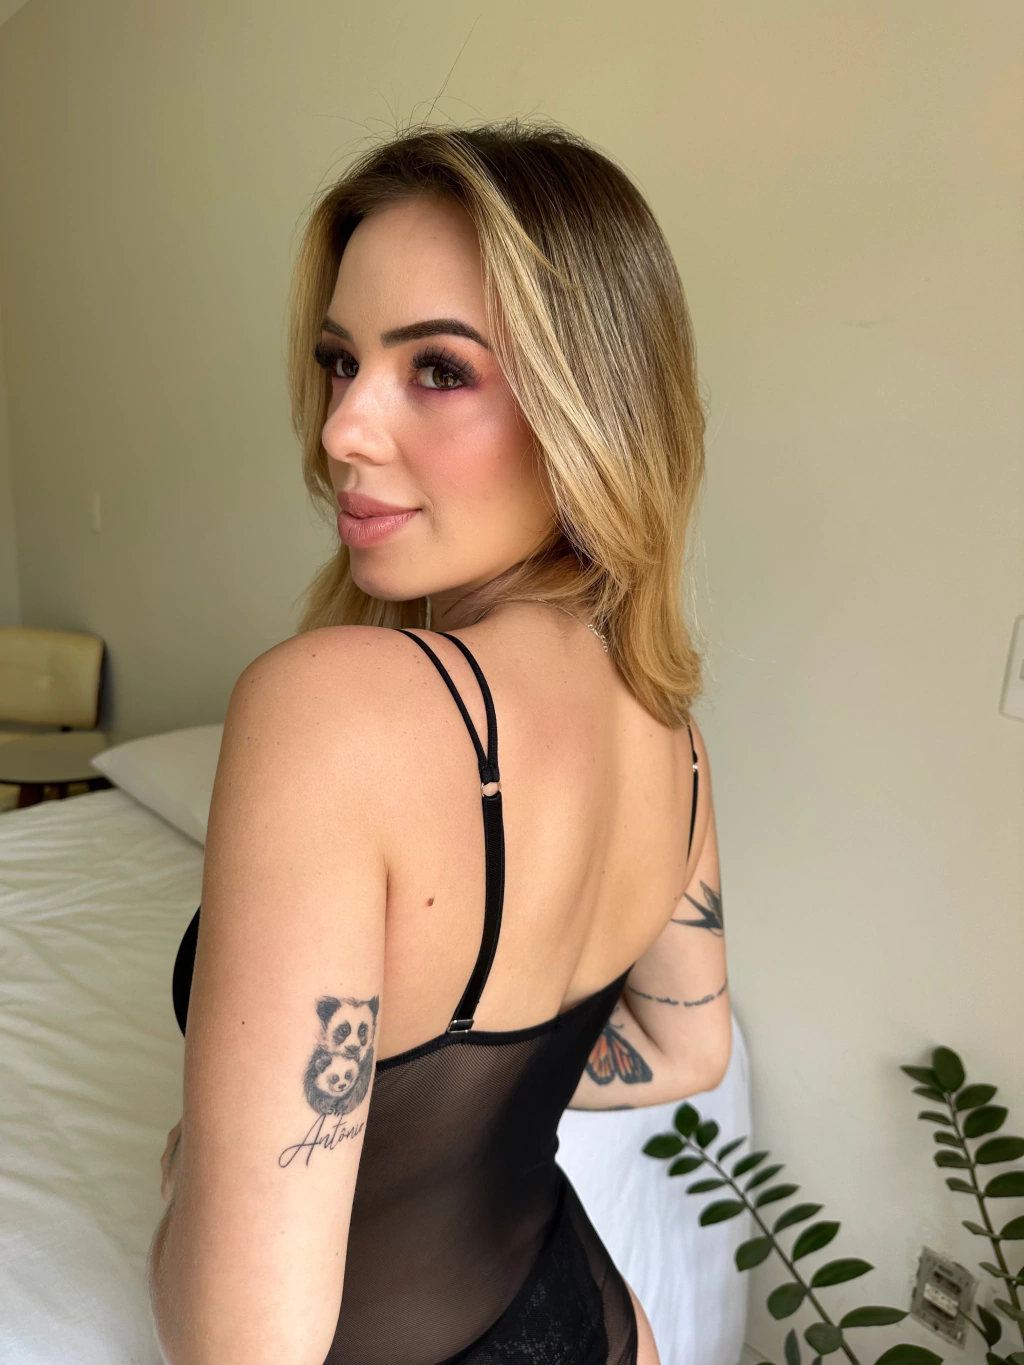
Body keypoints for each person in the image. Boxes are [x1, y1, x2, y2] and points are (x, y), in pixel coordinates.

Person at [149, 119, 731, 1365]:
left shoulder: (328, 708)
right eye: (339, 361)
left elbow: (240, 1346)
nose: (340, 432)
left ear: (590, 409)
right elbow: (687, 1047)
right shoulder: (668, 730)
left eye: (437, 369)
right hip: (589, 1315)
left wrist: (213, 1166)